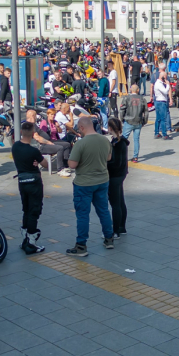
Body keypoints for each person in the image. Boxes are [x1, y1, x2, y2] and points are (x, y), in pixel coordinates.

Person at [66, 117, 115, 257]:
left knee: (83, 215)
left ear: (81, 127)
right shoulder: (105, 140)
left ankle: (81, 245)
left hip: (84, 183)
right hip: (102, 180)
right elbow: (108, 158)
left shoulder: (81, 144)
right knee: (104, 210)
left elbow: (72, 165)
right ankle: (109, 239)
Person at [13, 122, 48, 255]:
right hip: (34, 183)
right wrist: (37, 161)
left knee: (26, 209)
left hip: (22, 181)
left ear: (21, 131)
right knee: (34, 210)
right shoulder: (34, 151)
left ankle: (24, 238)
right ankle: (31, 242)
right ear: (33, 133)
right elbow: (45, 164)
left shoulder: (15, 147)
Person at [25, 109, 72, 177]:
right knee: (60, 148)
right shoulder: (30, 125)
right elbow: (37, 137)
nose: (36, 117)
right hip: (41, 146)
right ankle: (60, 170)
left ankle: (65, 166)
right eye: (35, 116)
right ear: (32, 116)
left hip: (45, 143)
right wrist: (48, 142)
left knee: (66, 145)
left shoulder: (33, 125)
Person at [106, 118, 129, 238]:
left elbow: (115, 163)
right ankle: (122, 227)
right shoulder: (121, 141)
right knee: (120, 202)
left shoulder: (117, 143)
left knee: (115, 204)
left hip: (115, 176)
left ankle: (115, 230)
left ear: (110, 128)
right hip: (121, 175)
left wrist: (105, 164)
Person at [120, 85, 146, 163]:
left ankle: (122, 156)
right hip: (138, 121)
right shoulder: (142, 99)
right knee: (136, 139)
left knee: (123, 140)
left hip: (128, 121)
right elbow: (146, 112)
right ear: (138, 90)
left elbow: (122, 110)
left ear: (131, 90)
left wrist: (122, 119)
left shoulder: (126, 98)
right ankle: (135, 157)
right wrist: (144, 121)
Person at [153, 70, 173, 140]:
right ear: (163, 77)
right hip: (161, 102)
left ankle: (156, 133)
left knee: (158, 118)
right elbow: (165, 91)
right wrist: (168, 84)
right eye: (165, 77)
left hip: (158, 102)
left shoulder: (158, 83)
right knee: (163, 119)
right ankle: (164, 134)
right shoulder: (159, 84)